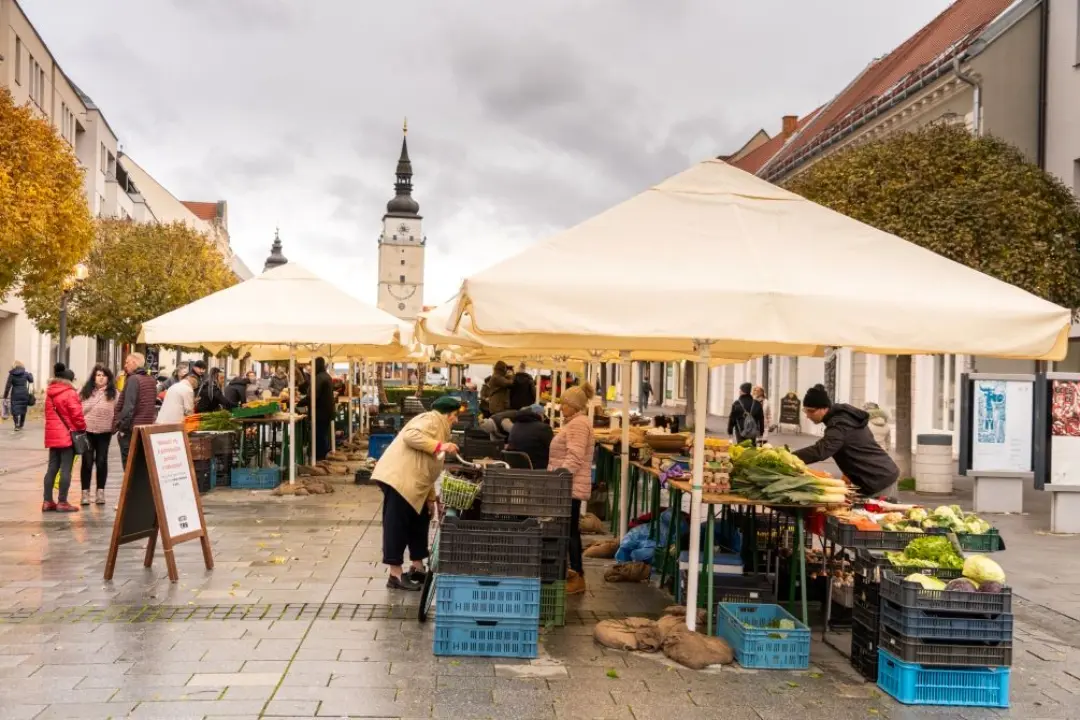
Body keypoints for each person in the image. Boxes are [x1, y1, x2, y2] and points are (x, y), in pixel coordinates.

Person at [371, 395, 461, 591]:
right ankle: (395, 574)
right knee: (397, 525)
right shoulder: (429, 420)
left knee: (420, 519)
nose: (457, 420)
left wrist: (430, 499)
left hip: (415, 482)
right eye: (455, 415)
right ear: (447, 415)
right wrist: (440, 446)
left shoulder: (439, 427)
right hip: (400, 479)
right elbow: (410, 436)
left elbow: (427, 468)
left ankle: (417, 566)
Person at [794, 384, 900, 497]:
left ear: (824, 408)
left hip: (879, 479)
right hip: (874, 478)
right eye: (805, 411)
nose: (808, 416)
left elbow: (822, 450)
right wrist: (848, 473)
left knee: (879, 514)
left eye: (811, 411)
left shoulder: (840, 423)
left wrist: (790, 458)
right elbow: (853, 445)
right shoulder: (843, 419)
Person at [548, 383, 596, 595]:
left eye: (564, 404)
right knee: (568, 530)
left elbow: (575, 456)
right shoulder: (575, 422)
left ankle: (577, 575)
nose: (560, 408)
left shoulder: (578, 425)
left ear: (575, 406)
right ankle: (573, 573)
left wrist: (560, 478)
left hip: (569, 486)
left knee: (569, 532)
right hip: (567, 485)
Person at [43, 363, 86, 513]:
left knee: (52, 468)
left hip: (52, 435)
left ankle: (47, 501)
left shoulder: (49, 392)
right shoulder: (70, 393)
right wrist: (81, 428)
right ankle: (62, 502)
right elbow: (77, 415)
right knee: (66, 469)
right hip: (67, 436)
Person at [79, 365, 118, 506]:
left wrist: (115, 426)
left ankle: (100, 492)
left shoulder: (114, 393)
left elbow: (117, 411)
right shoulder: (85, 392)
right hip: (87, 431)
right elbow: (78, 408)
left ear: (108, 378)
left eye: (104, 375)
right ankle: (85, 492)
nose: (101, 378)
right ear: (93, 377)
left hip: (104, 432)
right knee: (87, 461)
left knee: (101, 461)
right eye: (98, 375)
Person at [113, 353, 159, 469]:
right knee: (140, 466)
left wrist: (121, 427)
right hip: (145, 429)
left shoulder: (133, 379)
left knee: (129, 466)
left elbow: (129, 407)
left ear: (134, 363)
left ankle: (129, 488)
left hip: (131, 430)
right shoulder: (151, 380)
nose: (125, 365)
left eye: (127, 362)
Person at [296, 357, 334, 460]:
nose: (311, 368)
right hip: (326, 412)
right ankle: (323, 457)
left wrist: (299, 403)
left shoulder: (319, 378)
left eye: (312, 365)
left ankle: (319, 459)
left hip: (320, 412)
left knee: (318, 436)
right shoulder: (326, 376)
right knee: (322, 435)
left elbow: (313, 396)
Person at [507, 404, 553, 469]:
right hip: (537, 469)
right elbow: (553, 448)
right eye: (543, 415)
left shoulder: (515, 426)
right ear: (539, 415)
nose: (544, 418)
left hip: (515, 468)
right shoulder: (543, 428)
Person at [3, 360, 34, 431]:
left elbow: (8, 386)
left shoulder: (12, 374)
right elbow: (31, 380)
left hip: (15, 393)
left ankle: (16, 425)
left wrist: (5, 396)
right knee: (23, 408)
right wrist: (30, 374)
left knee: (15, 409)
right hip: (24, 393)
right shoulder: (25, 373)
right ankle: (21, 424)